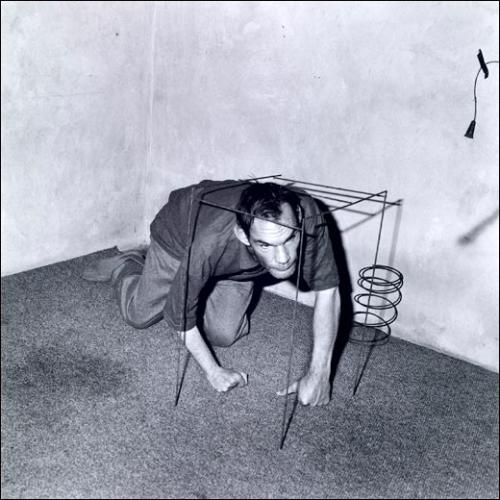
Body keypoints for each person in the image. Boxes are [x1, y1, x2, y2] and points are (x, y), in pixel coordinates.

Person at [83, 179, 341, 406]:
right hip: (177, 236)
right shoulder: (210, 242)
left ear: (298, 218)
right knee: (137, 315)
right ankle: (128, 264)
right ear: (242, 235)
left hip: (235, 262)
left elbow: (329, 292)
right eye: (266, 244)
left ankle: (211, 277)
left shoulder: (307, 216)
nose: (283, 258)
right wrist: (213, 371)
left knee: (224, 335)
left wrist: (319, 375)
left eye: (289, 239)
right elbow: (180, 315)